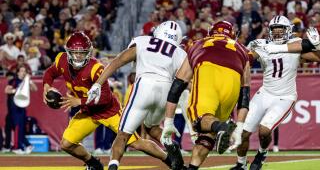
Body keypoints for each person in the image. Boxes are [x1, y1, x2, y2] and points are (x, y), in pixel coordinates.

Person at [43, 31, 172, 170]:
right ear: (68, 52)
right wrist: (46, 86)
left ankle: (170, 160)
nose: (78, 56)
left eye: (82, 53)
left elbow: (104, 98)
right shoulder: (61, 60)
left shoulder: (95, 68)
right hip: (89, 112)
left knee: (136, 143)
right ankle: (93, 163)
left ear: (89, 52)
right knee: (66, 144)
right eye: (75, 52)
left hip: (109, 110)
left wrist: (79, 101)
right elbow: (50, 72)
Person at [87, 21, 188, 170]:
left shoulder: (143, 40)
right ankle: (170, 145)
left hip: (144, 85)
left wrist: (98, 83)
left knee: (122, 136)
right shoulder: (181, 53)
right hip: (166, 89)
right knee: (152, 127)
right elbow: (184, 79)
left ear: (158, 31)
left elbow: (118, 61)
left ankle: (113, 167)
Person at [230, 15, 320, 170]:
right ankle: (241, 163)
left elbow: (317, 57)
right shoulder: (263, 45)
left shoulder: (295, 45)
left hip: (285, 97)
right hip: (265, 93)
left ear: (288, 30)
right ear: (269, 31)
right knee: (243, 132)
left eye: (281, 30)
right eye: (275, 30)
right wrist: (239, 50)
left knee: (264, 130)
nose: (278, 33)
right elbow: (247, 59)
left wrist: (317, 45)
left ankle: (262, 153)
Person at [161, 21, 252, 170]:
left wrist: (169, 121)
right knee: (206, 135)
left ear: (211, 32)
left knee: (200, 121)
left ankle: (221, 127)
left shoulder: (198, 43)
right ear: (233, 35)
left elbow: (178, 84)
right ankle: (193, 167)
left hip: (208, 73)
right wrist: (240, 127)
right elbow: (245, 94)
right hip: (232, 84)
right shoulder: (242, 50)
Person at [4, 65, 37, 154]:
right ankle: (17, 147)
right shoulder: (14, 81)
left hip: (22, 108)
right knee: (17, 127)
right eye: (21, 71)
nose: (23, 73)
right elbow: (6, 90)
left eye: (25, 71)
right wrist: (16, 91)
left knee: (21, 128)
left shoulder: (26, 82)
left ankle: (26, 145)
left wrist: (29, 81)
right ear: (18, 72)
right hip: (14, 108)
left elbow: (35, 89)